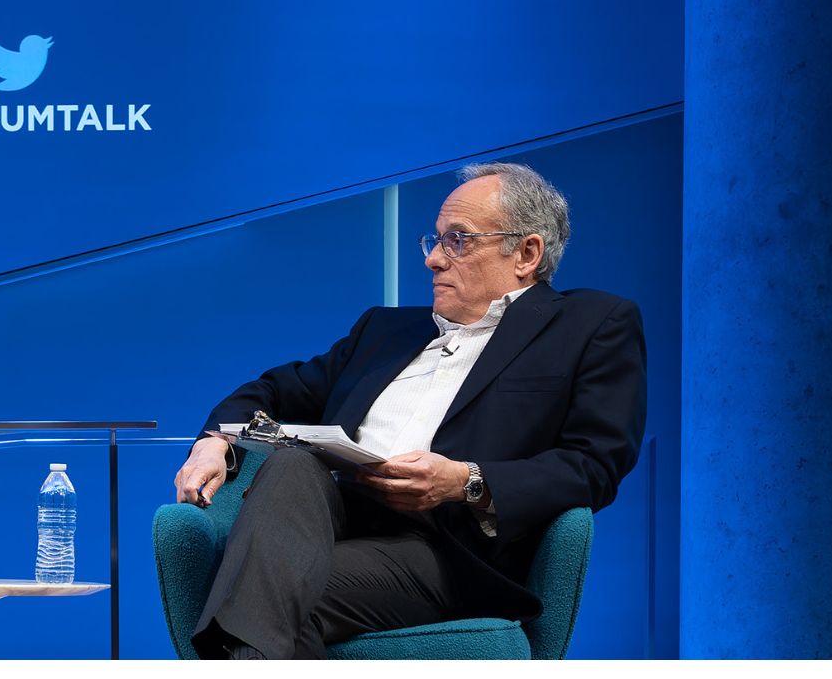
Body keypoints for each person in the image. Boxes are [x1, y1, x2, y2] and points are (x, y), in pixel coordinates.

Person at [174, 162, 646, 659]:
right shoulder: (384, 331)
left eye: (459, 241)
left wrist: (467, 480)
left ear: (526, 253)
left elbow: (595, 464)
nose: (434, 260)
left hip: (447, 551)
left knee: (258, 591)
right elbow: (272, 389)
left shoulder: (588, 324)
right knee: (292, 465)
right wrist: (215, 442)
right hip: (327, 522)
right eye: (436, 240)